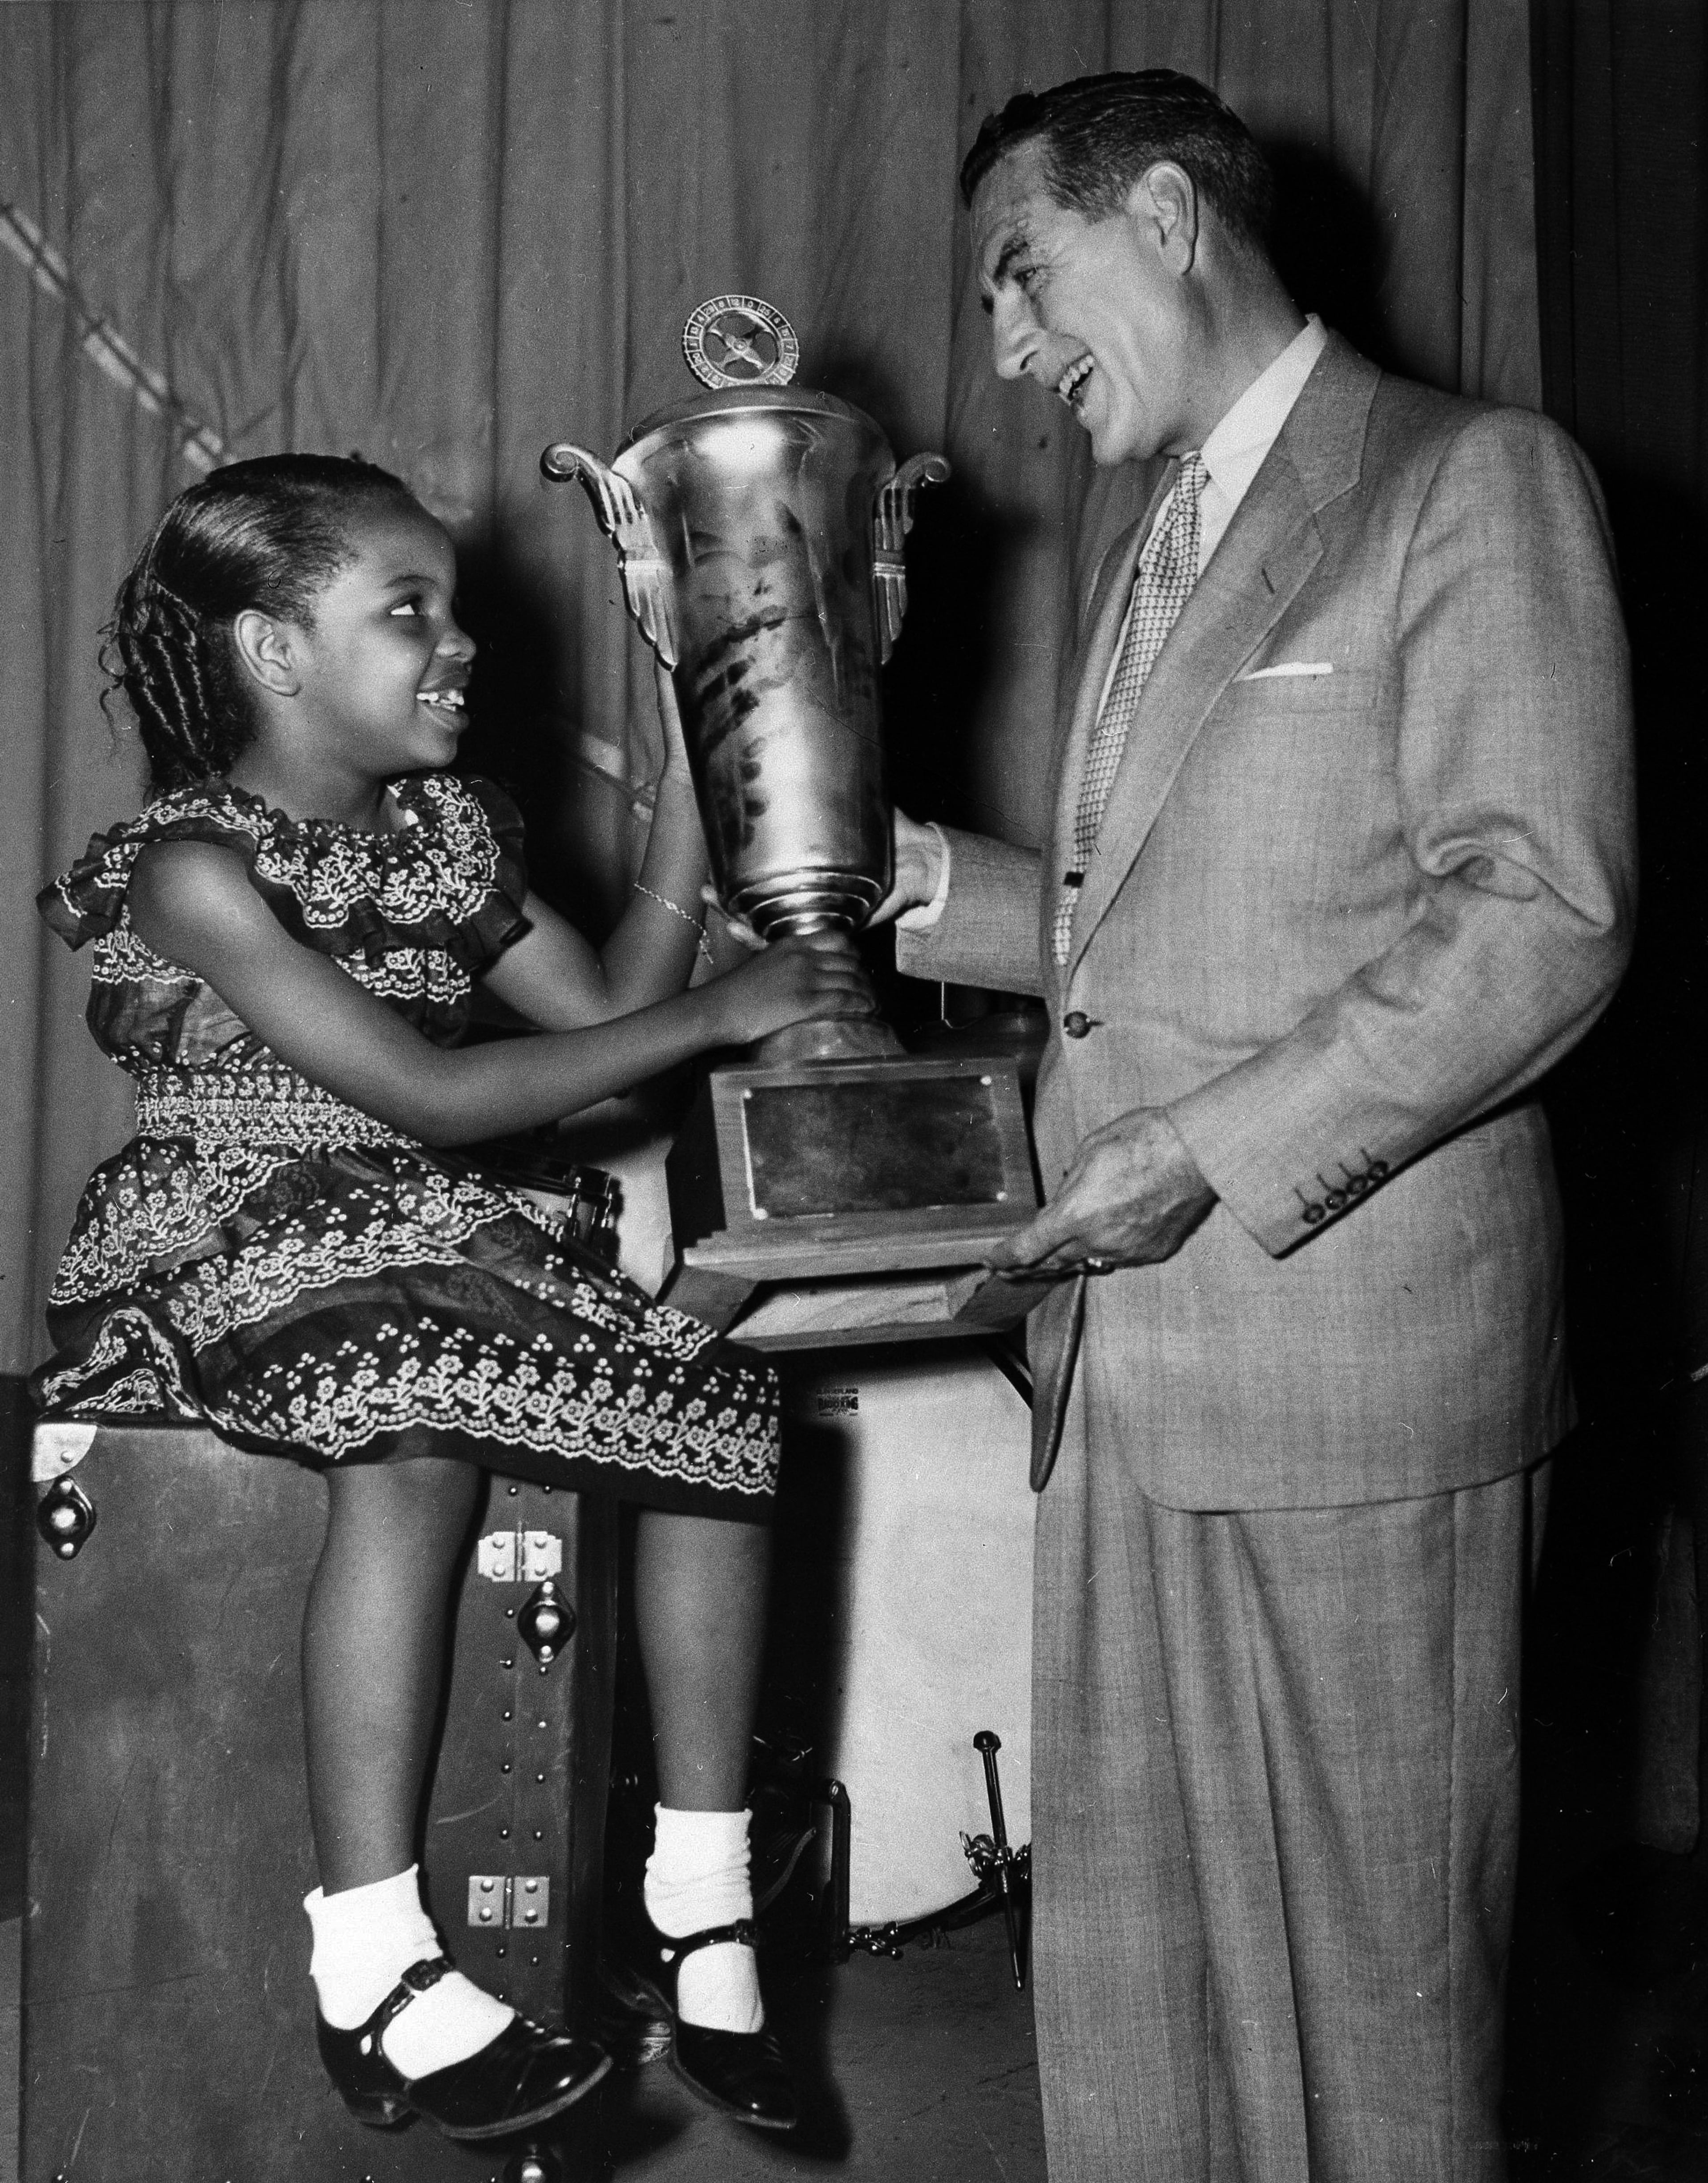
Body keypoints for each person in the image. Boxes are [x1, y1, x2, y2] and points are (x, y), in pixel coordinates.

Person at [876, 69, 1636, 2183]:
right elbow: (1150, 937)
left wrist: (1211, 1146)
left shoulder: (1472, 479)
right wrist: (908, 870)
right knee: (1141, 1999)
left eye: (1025, 275)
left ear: (1175, 219)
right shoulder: (1148, 537)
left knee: (1381, 2019)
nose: (1009, 345)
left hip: (1351, 1366)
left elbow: (1546, 911)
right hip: (1121, 1369)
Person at [31, 453, 873, 2145]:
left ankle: (698, 1897)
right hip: (230, 1223)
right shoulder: (190, 866)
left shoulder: (442, 832)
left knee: (711, 1399)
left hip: (425, 1226)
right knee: (406, 1423)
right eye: (405, 608)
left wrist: (700, 749)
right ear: (274, 649)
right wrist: (724, 1018)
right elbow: (435, 1092)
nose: (459, 639)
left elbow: (603, 1007)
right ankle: (371, 1958)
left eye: (455, 604)